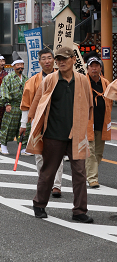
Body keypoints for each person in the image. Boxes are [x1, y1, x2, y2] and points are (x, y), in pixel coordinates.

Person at [27, 46, 94, 223]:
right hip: (53, 134)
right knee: (48, 171)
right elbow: (37, 103)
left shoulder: (82, 80)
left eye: (64, 59)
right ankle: (39, 204)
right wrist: (32, 126)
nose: (61, 62)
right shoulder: (49, 79)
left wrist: (87, 130)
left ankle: (79, 211)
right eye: (58, 59)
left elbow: (89, 105)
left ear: (73, 59)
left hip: (76, 134)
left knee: (80, 173)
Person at [20, 48, 63, 197]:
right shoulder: (32, 81)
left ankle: (56, 185)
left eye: (49, 58)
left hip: (58, 120)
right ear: (39, 62)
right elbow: (26, 104)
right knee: (39, 153)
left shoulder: (63, 78)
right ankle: (44, 182)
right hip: (38, 120)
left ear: (54, 60)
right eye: (44, 58)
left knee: (58, 151)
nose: (47, 61)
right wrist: (23, 124)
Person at [84, 55, 112, 189]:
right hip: (88, 123)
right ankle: (92, 178)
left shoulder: (106, 83)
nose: (94, 68)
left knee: (99, 152)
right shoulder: (83, 81)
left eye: (97, 66)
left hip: (102, 121)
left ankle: (88, 173)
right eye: (91, 66)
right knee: (90, 152)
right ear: (87, 68)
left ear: (100, 68)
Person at [0, 57, 27, 155]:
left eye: (22, 65)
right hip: (12, 105)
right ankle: (3, 145)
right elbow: (4, 90)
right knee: (8, 126)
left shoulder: (26, 78)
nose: (20, 67)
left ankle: (23, 147)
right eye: (18, 65)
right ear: (13, 66)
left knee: (23, 127)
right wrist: (7, 103)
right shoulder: (8, 78)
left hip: (23, 106)